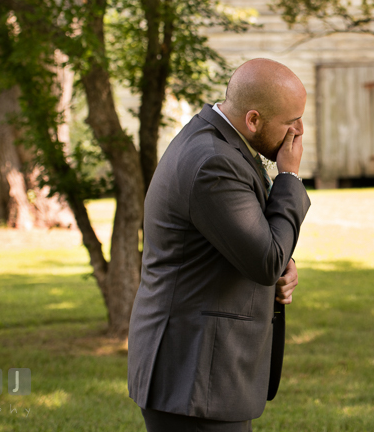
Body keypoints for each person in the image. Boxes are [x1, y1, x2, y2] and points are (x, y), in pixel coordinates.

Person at [128, 58, 311, 432]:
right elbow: (265, 260)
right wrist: (289, 176)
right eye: (291, 122)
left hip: (201, 373)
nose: (299, 131)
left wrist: (280, 265)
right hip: (192, 375)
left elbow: (247, 245)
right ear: (254, 120)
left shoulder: (224, 143)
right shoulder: (213, 161)